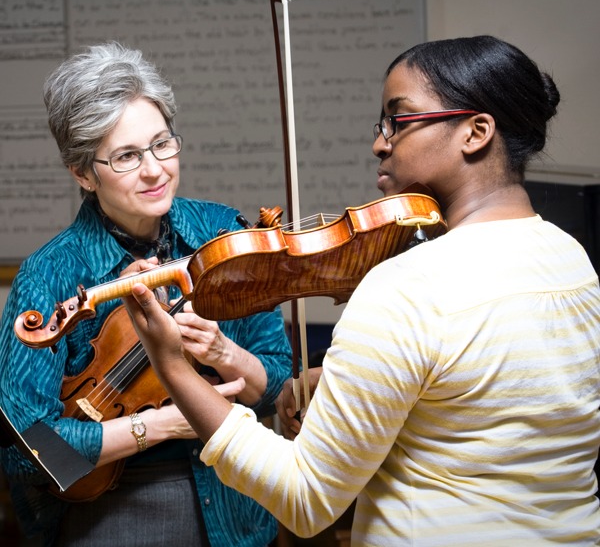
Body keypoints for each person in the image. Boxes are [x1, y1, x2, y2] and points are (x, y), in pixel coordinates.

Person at [123, 36, 600, 546]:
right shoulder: (571, 258)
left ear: (475, 132)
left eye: (399, 120)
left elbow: (305, 500)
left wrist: (170, 363)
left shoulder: (407, 285)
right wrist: (344, 380)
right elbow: (491, 388)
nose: (380, 142)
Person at [0, 43, 292, 547]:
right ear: (82, 173)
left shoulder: (222, 234)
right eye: (127, 156)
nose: (156, 169)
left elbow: (275, 390)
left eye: (162, 144)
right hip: (121, 507)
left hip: (237, 501)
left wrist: (225, 354)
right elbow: (27, 449)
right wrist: (160, 427)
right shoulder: (49, 275)